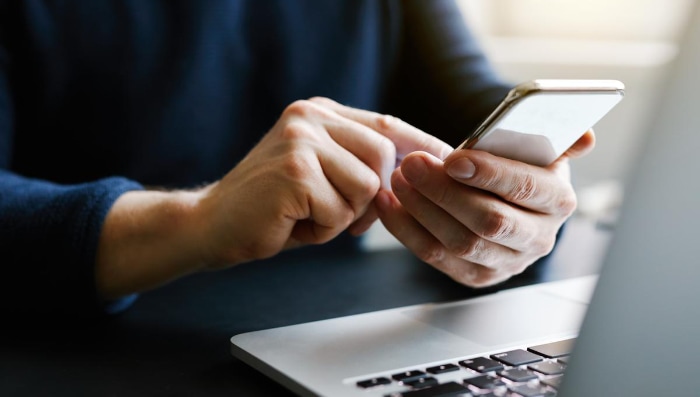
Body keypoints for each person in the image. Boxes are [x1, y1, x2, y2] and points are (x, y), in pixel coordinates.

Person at [0, 0, 594, 318]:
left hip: (327, 332)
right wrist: (198, 222)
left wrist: (523, 192)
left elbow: (465, 95)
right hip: (71, 342)